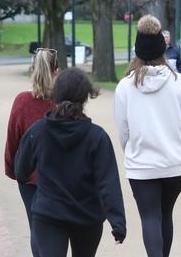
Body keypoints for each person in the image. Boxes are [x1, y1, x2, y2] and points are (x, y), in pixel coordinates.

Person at [14, 68, 126, 257]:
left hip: (49, 214)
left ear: (55, 94)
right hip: (87, 215)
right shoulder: (97, 137)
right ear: (85, 97)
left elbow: (21, 172)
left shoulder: (38, 132)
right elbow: (108, 182)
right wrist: (118, 222)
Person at [114, 15, 181, 257]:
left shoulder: (125, 86)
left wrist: (132, 150)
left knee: (150, 217)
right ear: (163, 48)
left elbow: (123, 130)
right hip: (176, 163)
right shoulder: (180, 82)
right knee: (165, 213)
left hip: (142, 164)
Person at [4, 47, 58, 257]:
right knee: (58, 229)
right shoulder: (64, 102)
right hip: (59, 176)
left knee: (36, 226)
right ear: (56, 71)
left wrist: (12, 169)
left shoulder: (22, 101)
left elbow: (12, 140)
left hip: (29, 176)